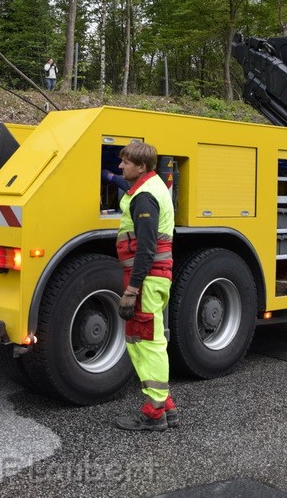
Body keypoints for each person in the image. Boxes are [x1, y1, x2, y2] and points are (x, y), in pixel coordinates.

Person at [112, 141, 178, 432]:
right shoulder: (151, 186)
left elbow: (146, 249)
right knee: (148, 340)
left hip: (147, 279)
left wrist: (132, 290)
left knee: (147, 344)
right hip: (154, 278)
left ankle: (153, 413)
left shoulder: (145, 197)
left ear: (141, 167)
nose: (120, 166)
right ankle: (167, 407)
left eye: (125, 163)